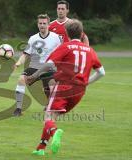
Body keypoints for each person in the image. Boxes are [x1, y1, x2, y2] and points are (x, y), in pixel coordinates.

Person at [25, 19, 105, 156]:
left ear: (67, 33)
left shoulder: (65, 46)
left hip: (63, 87)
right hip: (79, 91)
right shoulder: (90, 50)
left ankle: (56, 132)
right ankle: (40, 148)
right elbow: (101, 72)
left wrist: (35, 75)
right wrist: (86, 82)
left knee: (48, 117)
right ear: (81, 34)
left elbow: (48, 64)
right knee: (52, 116)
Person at [13, 14, 62, 116]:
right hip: (34, 67)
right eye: (40, 23)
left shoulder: (56, 38)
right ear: (37, 24)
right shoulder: (33, 38)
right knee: (21, 79)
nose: (42, 25)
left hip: (49, 68)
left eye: (44, 23)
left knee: (51, 88)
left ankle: (50, 105)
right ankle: (18, 109)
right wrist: (18, 63)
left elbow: (63, 52)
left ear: (48, 24)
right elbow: (25, 54)